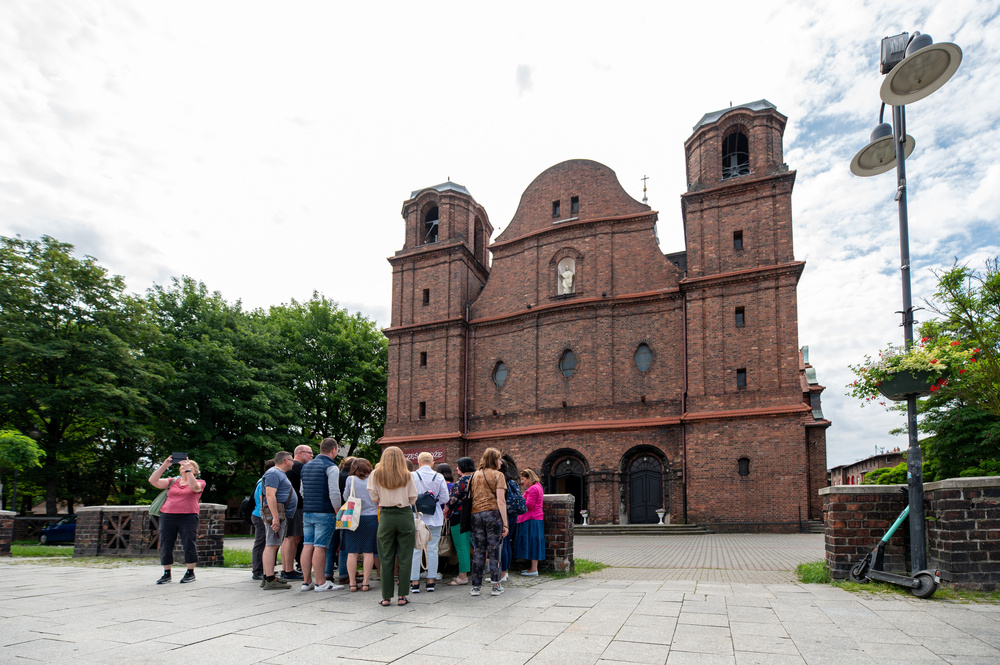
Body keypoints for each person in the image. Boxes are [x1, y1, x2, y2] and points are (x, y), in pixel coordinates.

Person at [367, 446, 417, 606]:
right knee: (405, 556)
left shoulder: (376, 474)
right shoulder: (407, 475)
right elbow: (413, 498)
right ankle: (402, 595)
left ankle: (386, 596)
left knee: (386, 556)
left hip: (386, 515)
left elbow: (373, 497)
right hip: (404, 515)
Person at [149, 455, 206, 585]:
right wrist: (164, 465)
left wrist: (188, 471)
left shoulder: (200, 482)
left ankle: (190, 572)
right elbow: (153, 480)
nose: (184, 466)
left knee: (188, 543)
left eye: (188, 465)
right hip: (168, 516)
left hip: (188, 516)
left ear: (195, 471)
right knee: (166, 544)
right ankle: (166, 573)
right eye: (182, 465)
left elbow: (194, 488)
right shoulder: (173, 481)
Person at [299, 437, 344, 592]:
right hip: (324, 512)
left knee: (307, 544)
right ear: (333, 450)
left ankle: (306, 582)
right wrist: (337, 511)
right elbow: (334, 492)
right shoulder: (331, 467)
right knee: (320, 547)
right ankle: (321, 582)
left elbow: (302, 491)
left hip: (308, 511)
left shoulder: (306, 466)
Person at [468, 447, 507, 597]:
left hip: (476, 514)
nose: (501, 462)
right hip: (492, 514)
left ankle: (476, 586)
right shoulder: (498, 475)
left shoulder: (474, 475)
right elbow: (501, 500)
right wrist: (505, 523)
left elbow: (470, 497)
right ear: (493, 460)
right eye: (498, 459)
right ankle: (496, 585)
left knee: (479, 550)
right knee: (494, 549)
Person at [409, 452, 449, 593]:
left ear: (418, 463)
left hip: (416, 517)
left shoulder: (412, 476)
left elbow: (408, 496)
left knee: (415, 549)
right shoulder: (438, 476)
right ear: (432, 463)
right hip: (435, 518)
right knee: (432, 549)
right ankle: (431, 581)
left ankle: (414, 582)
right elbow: (445, 498)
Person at [260, 451, 298, 590]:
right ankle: (270, 578)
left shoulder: (277, 474)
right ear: (286, 461)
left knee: (272, 544)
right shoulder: (274, 473)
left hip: (280, 514)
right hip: (277, 514)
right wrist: (275, 517)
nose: (293, 463)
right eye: (292, 460)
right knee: (272, 545)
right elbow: (270, 495)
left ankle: (268, 576)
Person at [343, 458, 378, 592]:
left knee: (352, 552)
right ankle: (365, 583)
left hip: (353, 517)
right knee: (368, 551)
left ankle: (352, 583)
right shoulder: (373, 479)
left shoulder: (350, 480)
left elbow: (346, 497)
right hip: (371, 517)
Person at [280, 444, 313, 580]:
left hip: (288, 506)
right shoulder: (298, 467)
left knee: (288, 538)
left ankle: (286, 568)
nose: (312, 455)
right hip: (296, 506)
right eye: (309, 453)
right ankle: (289, 570)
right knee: (294, 538)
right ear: (299, 453)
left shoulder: (288, 467)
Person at [444, 456, 475, 585]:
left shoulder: (461, 481)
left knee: (461, 547)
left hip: (459, 516)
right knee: (469, 546)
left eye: (458, 466)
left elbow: (452, 500)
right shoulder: (477, 479)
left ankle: (463, 576)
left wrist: (446, 511)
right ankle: (469, 573)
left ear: (462, 467)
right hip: (475, 516)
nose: (456, 468)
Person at [329, 455, 357, 585]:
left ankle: (327, 573)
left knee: (331, 544)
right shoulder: (351, 478)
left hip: (333, 511)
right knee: (344, 544)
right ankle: (344, 573)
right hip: (346, 511)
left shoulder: (337, 475)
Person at [514, 468, 544, 575]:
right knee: (534, 543)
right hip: (536, 519)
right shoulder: (538, 487)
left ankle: (534, 569)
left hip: (531, 519)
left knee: (532, 544)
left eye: (523, 479)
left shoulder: (533, 489)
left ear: (529, 478)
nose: (522, 482)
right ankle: (532, 568)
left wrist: (517, 503)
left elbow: (529, 505)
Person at [250, 459, 276, 581]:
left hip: (260, 515)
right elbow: (263, 502)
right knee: (261, 542)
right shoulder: (264, 482)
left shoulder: (262, 480)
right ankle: (258, 570)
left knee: (265, 542)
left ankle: (264, 568)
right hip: (261, 516)